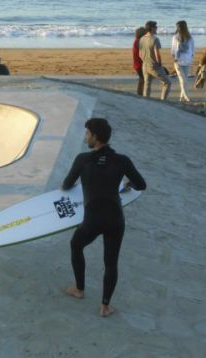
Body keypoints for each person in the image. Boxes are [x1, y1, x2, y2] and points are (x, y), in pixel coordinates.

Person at [61, 118, 146, 317]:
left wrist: (74, 187)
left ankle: (79, 289)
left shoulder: (83, 160)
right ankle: (105, 306)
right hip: (115, 219)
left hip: (92, 219)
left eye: (87, 134)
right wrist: (128, 184)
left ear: (95, 137)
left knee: (76, 244)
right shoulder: (122, 160)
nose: (86, 137)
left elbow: (66, 184)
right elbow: (141, 184)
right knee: (111, 262)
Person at [138, 20, 171, 100]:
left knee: (147, 84)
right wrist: (159, 63)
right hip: (153, 65)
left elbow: (140, 54)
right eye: (155, 27)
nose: (156, 29)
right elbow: (157, 54)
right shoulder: (155, 39)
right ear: (152, 28)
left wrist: (145, 60)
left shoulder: (142, 38)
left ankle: (146, 100)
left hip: (144, 65)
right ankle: (163, 101)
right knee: (167, 83)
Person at [171, 20, 194, 102]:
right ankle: (186, 96)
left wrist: (191, 58)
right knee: (182, 79)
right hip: (179, 60)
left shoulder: (189, 37)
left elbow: (192, 49)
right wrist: (174, 58)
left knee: (185, 80)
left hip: (186, 60)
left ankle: (182, 97)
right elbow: (173, 49)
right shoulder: (176, 37)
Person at [132, 27, 146, 96]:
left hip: (137, 64)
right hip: (139, 64)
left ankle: (140, 94)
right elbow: (141, 54)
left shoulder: (137, 41)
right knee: (143, 79)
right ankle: (140, 94)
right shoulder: (139, 41)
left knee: (142, 79)